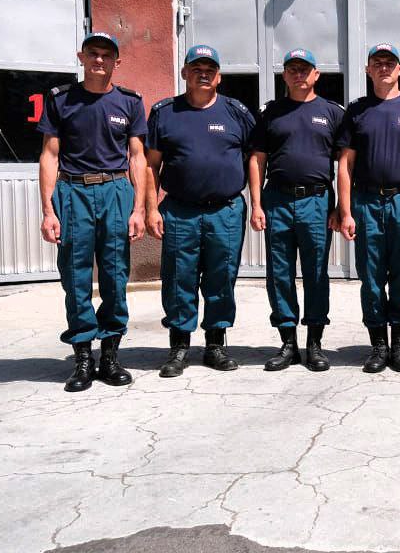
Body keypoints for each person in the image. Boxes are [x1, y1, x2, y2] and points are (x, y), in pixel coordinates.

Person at [37, 32, 147, 392]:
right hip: (73, 192)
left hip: (116, 190)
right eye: (93, 53)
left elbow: (137, 158)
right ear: (81, 57)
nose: (99, 60)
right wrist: (48, 210)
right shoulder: (61, 99)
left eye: (106, 55)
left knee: (115, 275)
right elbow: (49, 155)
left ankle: (110, 355)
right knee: (75, 276)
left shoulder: (130, 102)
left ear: (117, 61)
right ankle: (83, 356)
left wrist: (138, 208)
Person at [144, 45, 256, 377]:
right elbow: (150, 166)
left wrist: (256, 202)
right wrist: (151, 209)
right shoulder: (165, 113)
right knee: (179, 278)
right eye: (196, 68)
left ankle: (215, 345)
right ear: (185, 73)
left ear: (219, 76)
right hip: (180, 211)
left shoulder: (236, 112)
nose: (203, 74)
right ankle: (179, 347)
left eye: (209, 69)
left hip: (226, 211)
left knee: (222, 277)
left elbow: (254, 158)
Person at [335, 43, 400, 374]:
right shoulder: (357, 111)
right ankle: (378, 345)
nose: (384, 68)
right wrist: (345, 211)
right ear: (368, 70)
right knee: (371, 277)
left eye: (390, 63)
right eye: (377, 63)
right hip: (367, 202)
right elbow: (345, 165)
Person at [248, 48, 345, 372]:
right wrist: (257, 204)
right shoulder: (270, 113)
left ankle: (314, 343)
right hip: (277, 200)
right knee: (279, 273)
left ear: (316, 74)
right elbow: (257, 159)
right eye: (292, 69)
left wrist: (341, 208)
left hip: (316, 202)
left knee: (316, 272)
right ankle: (288, 342)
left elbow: (345, 164)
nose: (298, 74)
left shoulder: (332, 113)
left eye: (305, 69)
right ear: (284, 75)